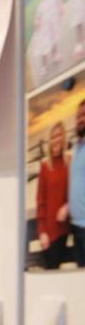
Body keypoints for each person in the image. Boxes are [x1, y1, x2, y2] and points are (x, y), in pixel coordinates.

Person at [36, 122, 71, 269]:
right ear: (49, 140)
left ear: (63, 137)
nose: (56, 140)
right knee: (51, 272)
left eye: (59, 135)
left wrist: (67, 206)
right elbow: (40, 201)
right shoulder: (45, 166)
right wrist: (42, 231)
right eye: (53, 137)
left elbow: (75, 191)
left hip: (64, 230)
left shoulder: (69, 162)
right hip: (49, 234)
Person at [29, 0, 64, 85]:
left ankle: (55, 54)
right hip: (44, 31)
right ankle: (43, 65)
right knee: (44, 49)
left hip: (53, 25)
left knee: (54, 41)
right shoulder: (41, 4)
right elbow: (37, 16)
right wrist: (36, 22)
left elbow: (59, 3)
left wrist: (61, 8)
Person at [72, 99, 85, 265]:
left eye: (84, 115)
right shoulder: (76, 147)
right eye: (78, 116)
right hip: (75, 227)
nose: (80, 119)